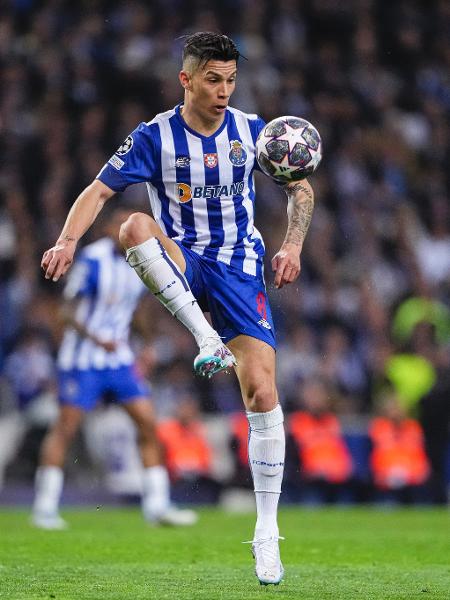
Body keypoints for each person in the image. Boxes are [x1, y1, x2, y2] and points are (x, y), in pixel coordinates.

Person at [41, 32, 315, 585]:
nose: (224, 90)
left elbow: (300, 189)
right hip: (182, 258)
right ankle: (204, 339)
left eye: (231, 79)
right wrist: (67, 241)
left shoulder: (253, 132)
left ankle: (266, 532)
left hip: (240, 266)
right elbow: (98, 191)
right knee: (134, 226)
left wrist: (292, 245)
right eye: (213, 79)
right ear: (186, 79)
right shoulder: (154, 136)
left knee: (262, 391)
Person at [32, 207, 197, 529]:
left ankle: (157, 505)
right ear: (108, 229)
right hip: (83, 360)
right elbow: (65, 311)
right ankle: (45, 507)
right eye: (118, 224)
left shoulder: (140, 259)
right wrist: (96, 339)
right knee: (65, 428)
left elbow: (136, 311)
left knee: (148, 424)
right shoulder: (92, 259)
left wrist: (147, 344)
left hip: (119, 360)